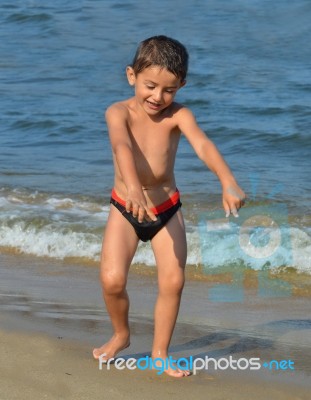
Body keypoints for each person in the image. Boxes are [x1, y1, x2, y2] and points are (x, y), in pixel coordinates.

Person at [93, 35, 246, 377]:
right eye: (150, 86)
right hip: (125, 207)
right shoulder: (117, 112)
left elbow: (203, 145)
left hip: (166, 210)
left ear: (182, 86)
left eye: (170, 90)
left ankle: (160, 353)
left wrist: (227, 180)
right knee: (112, 280)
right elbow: (121, 148)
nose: (158, 97)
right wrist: (132, 189)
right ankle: (121, 334)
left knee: (173, 282)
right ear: (131, 75)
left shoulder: (179, 116)